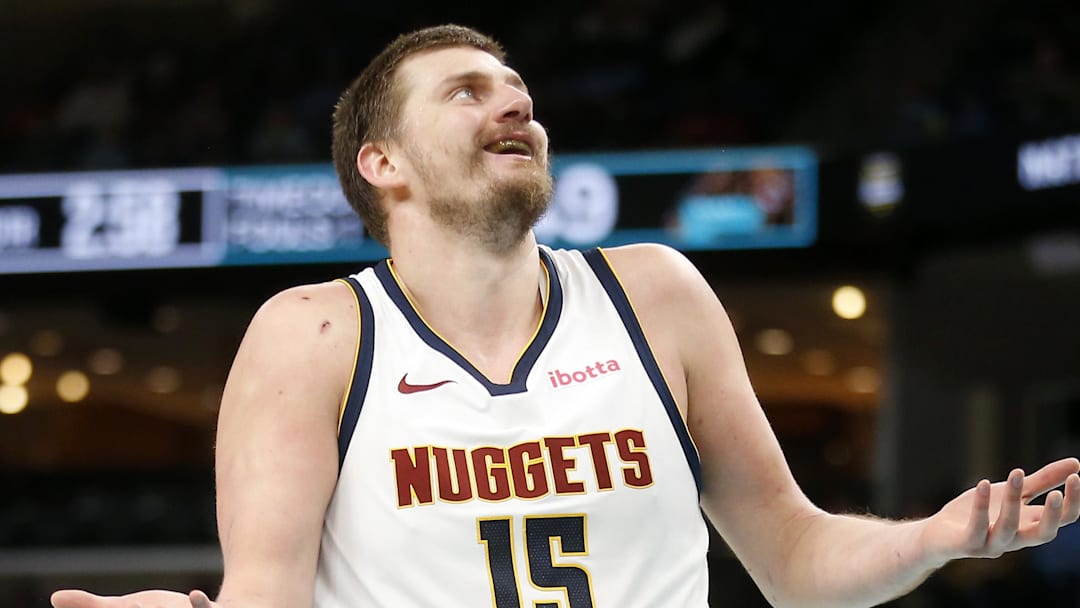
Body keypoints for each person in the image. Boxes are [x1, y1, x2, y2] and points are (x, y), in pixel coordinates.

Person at [52, 24, 1080, 608]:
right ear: (382, 162)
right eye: (467, 93)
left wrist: (932, 539)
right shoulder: (313, 333)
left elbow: (796, 558)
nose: (517, 106)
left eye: (518, 92)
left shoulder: (657, 294)